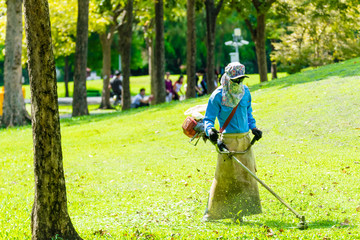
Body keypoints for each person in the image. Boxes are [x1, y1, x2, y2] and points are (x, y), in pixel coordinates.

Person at [202, 62, 263, 222]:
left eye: (241, 79)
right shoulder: (217, 95)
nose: (238, 82)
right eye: (235, 79)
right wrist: (211, 133)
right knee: (225, 178)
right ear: (228, 78)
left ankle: (240, 211)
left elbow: (248, 112)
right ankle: (211, 213)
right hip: (227, 142)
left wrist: (253, 127)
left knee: (245, 176)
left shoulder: (246, 92)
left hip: (244, 141)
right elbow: (208, 119)